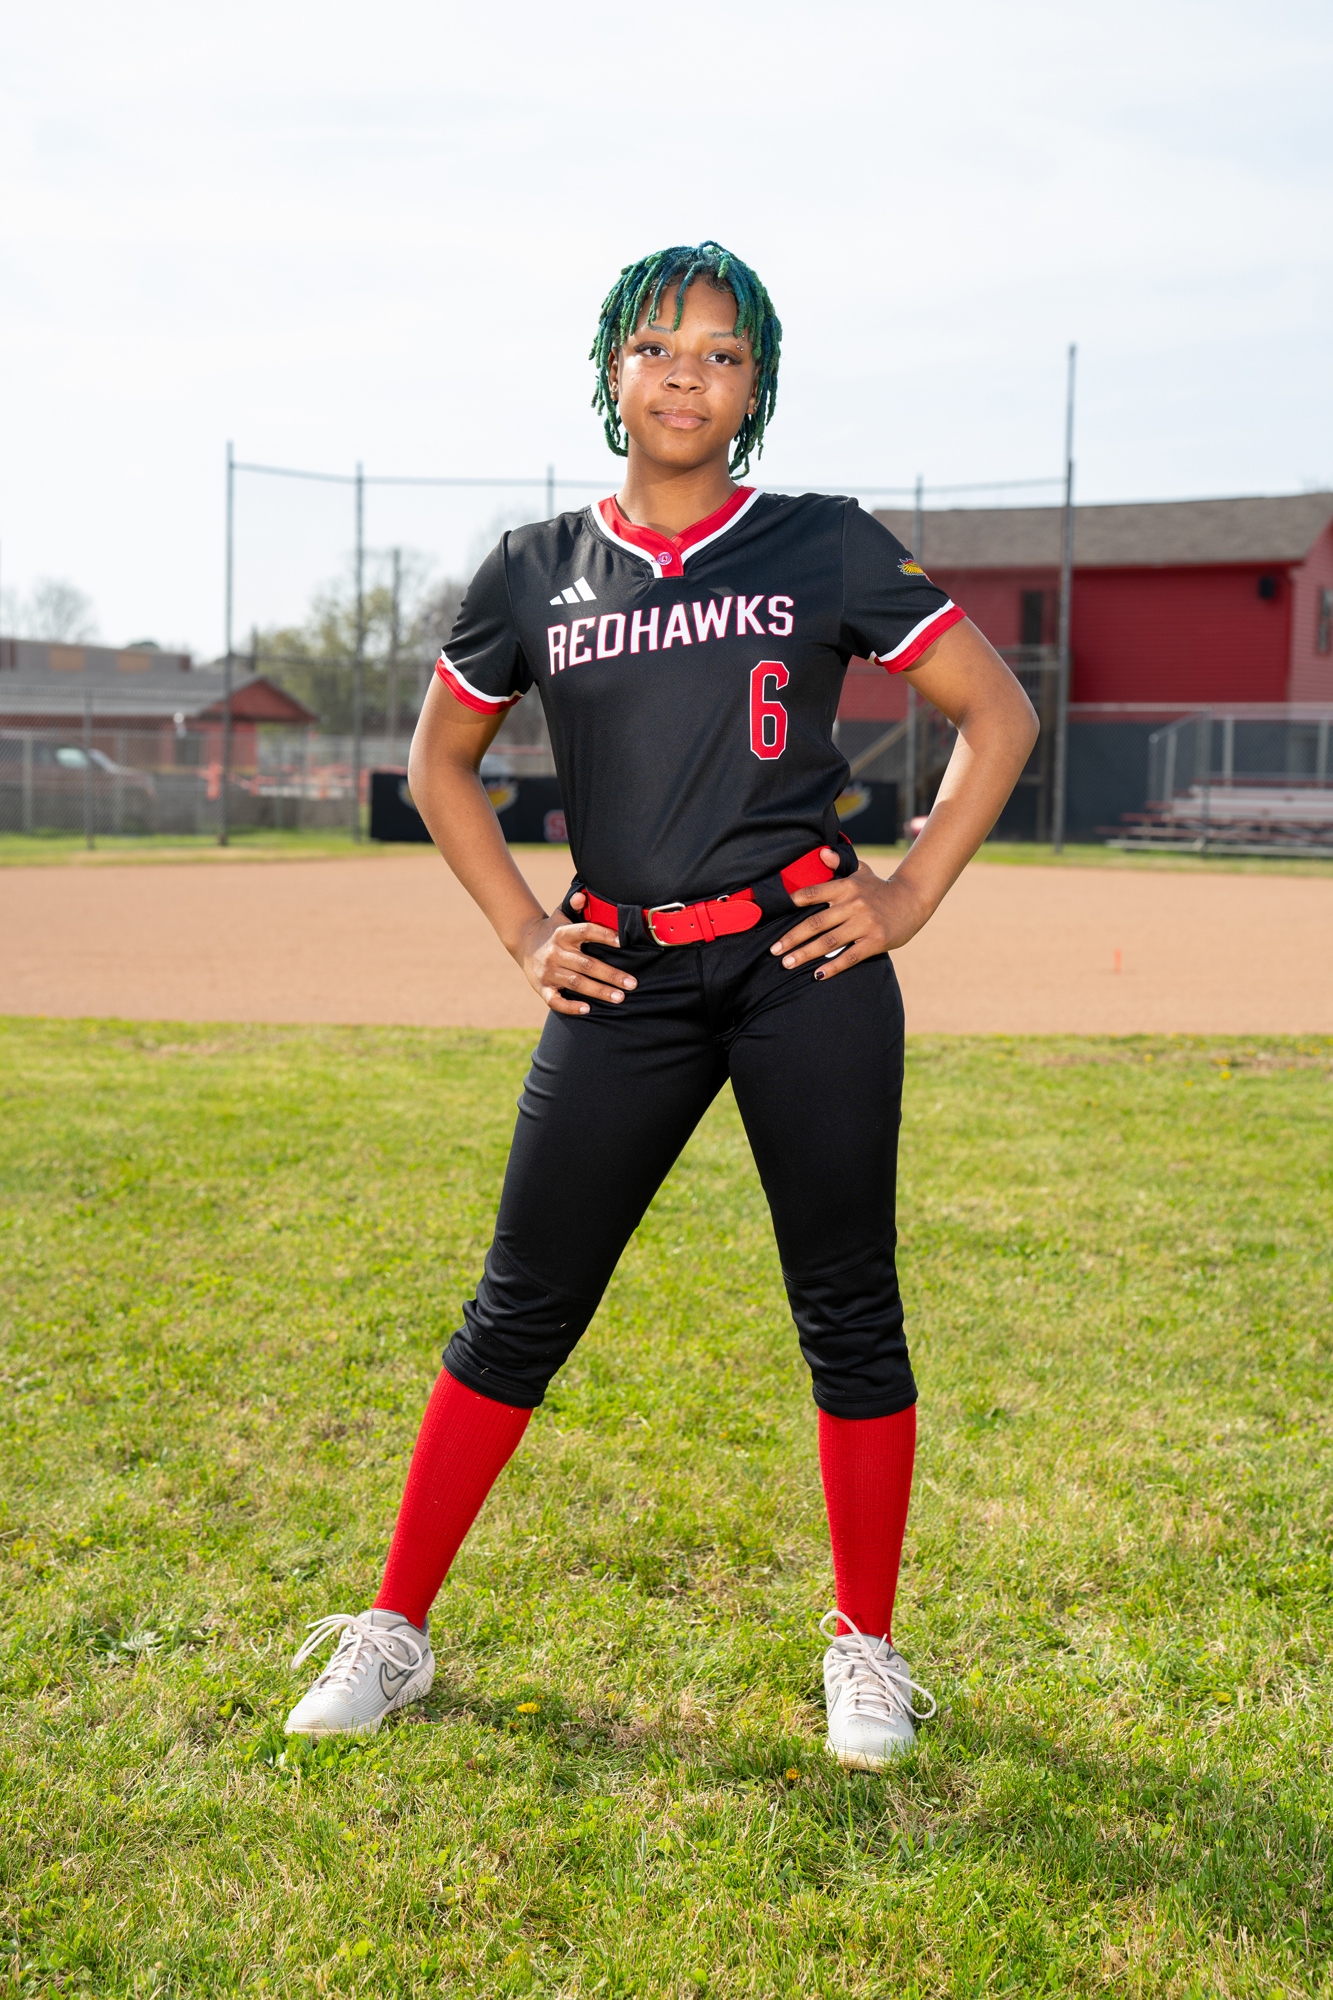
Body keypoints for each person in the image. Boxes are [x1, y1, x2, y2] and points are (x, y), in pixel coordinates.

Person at [285, 242, 1037, 1768]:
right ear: (610, 370)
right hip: (620, 974)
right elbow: (439, 763)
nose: (686, 375)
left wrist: (904, 896)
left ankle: (865, 1648)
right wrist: (522, 932)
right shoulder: (532, 567)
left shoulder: (820, 542)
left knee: (847, 1304)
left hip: (799, 964)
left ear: (756, 388)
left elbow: (995, 712)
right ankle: (394, 1627)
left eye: (721, 354)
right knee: (518, 1307)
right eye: (657, 347)